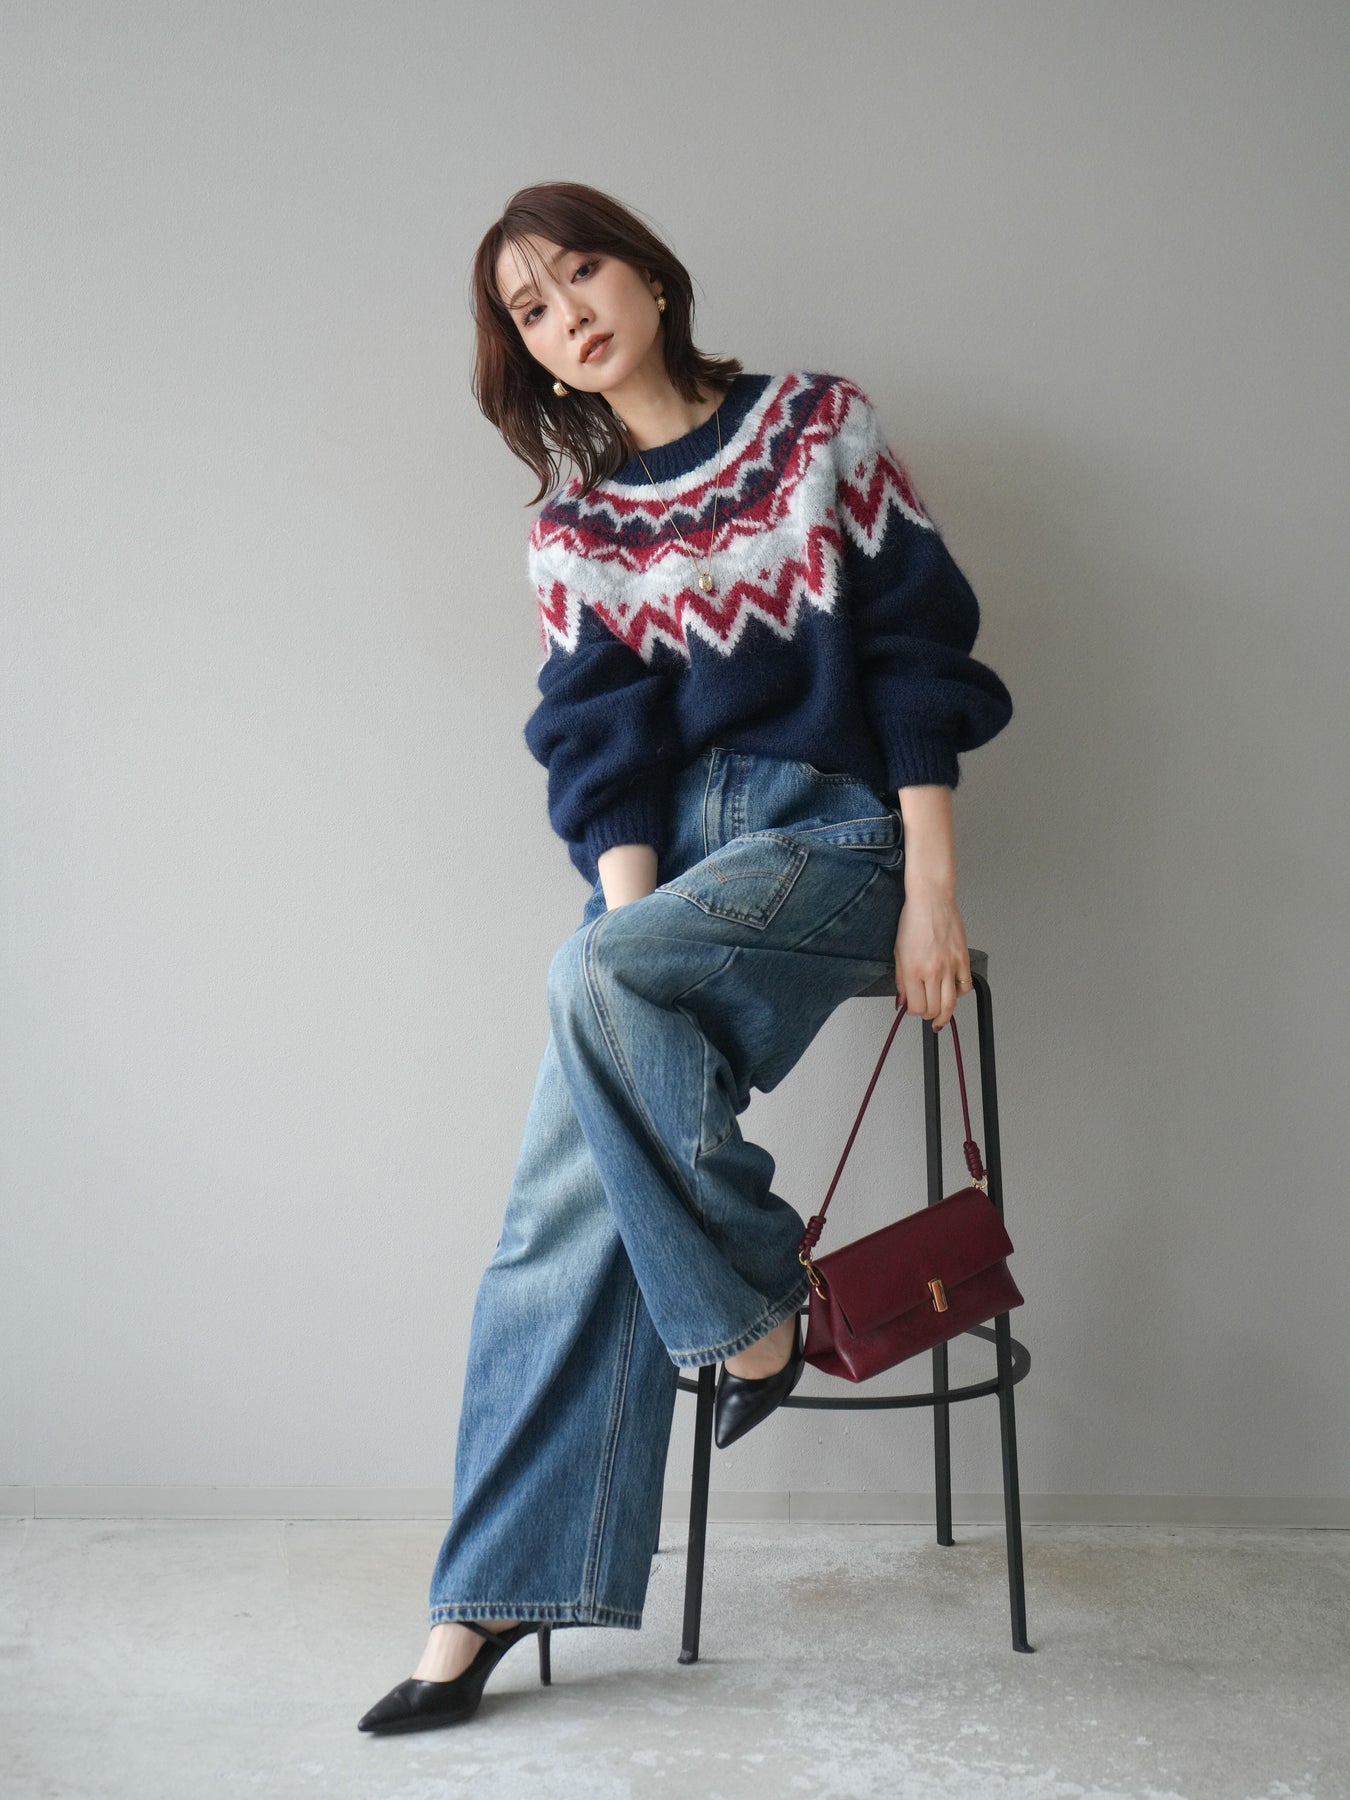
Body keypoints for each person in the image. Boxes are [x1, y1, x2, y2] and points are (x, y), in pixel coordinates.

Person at [358, 181, 1013, 1736]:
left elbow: (917, 653)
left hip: (834, 840)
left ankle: (749, 1309)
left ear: (648, 275)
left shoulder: (814, 426)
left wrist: (932, 887)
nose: (566, 313)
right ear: (523, 352)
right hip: (680, 875)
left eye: (580, 270)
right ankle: (494, 1588)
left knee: (586, 1009)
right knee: (555, 1205)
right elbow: (603, 760)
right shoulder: (574, 530)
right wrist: (623, 935)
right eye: (529, 308)